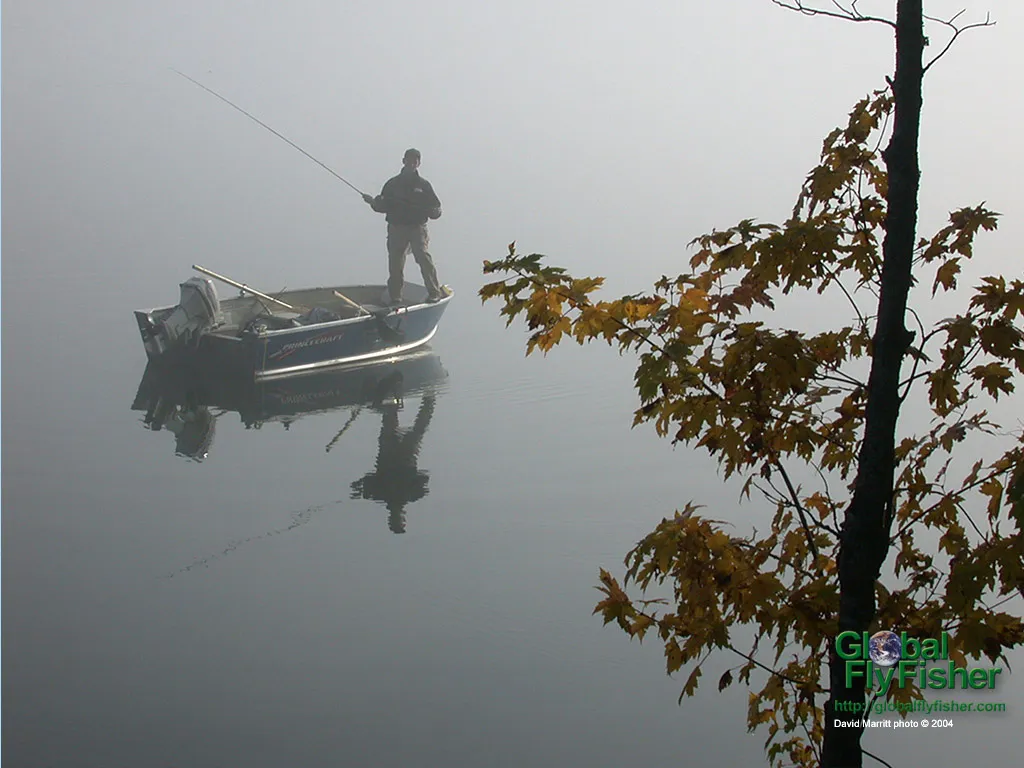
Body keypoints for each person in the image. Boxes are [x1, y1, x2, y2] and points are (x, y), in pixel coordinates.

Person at [362, 148, 446, 304]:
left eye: (415, 161)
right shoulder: (392, 184)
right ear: (403, 161)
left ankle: (434, 292)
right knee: (395, 263)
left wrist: (435, 211)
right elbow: (382, 206)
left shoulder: (424, 185)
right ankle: (395, 297)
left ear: (418, 163)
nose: (411, 163)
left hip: (417, 229)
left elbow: (436, 208)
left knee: (423, 257)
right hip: (396, 228)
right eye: (409, 160)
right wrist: (373, 202)